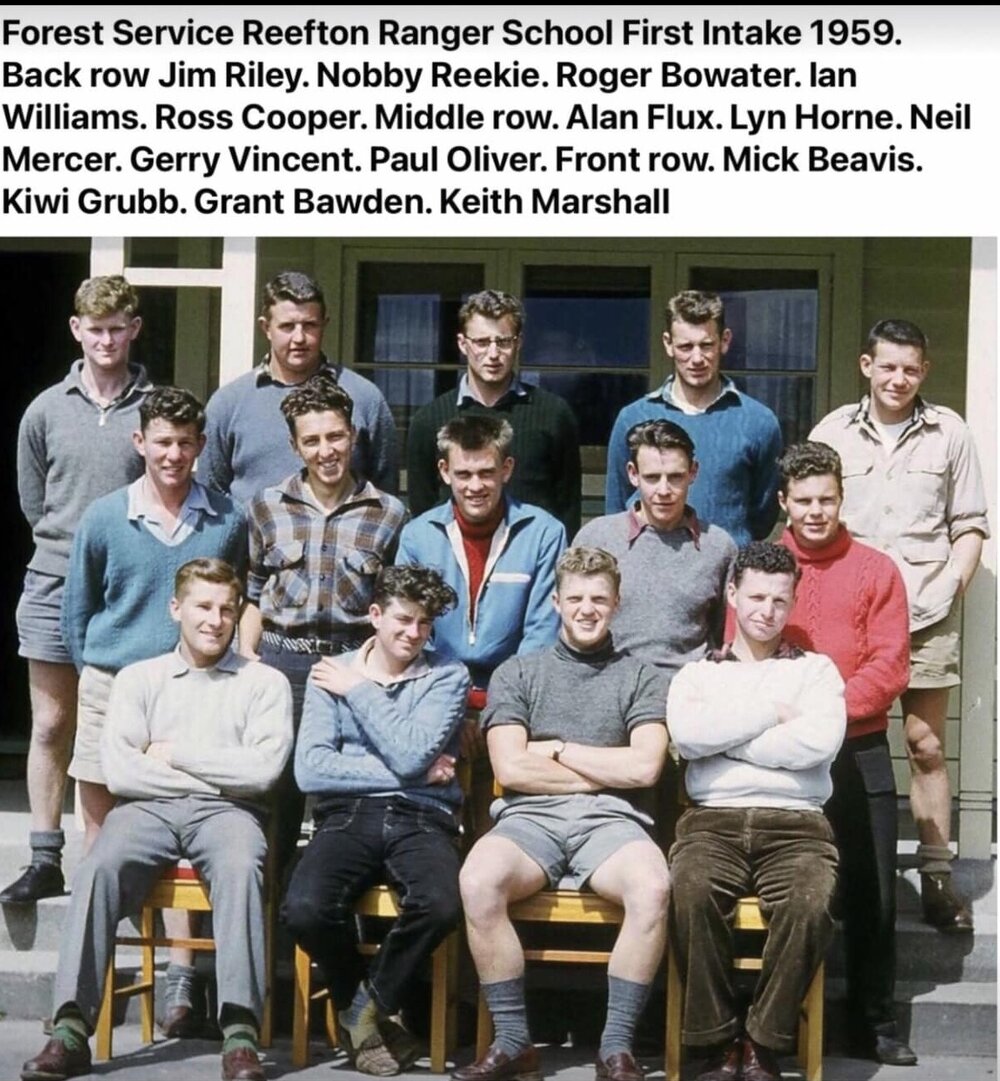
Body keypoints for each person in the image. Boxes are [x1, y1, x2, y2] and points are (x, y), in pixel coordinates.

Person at [20, 558, 293, 1081]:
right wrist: (218, 772)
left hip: (229, 812)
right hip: (146, 809)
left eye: (227, 610)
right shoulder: (138, 679)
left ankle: (240, 1035)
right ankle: (70, 1030)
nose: (215, 620)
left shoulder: (264, 683)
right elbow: (122, 772)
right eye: (203, 607)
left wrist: (176, 755)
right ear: (176, 608)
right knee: (98, 868)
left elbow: (262, 773)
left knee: (241, 868)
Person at [60, 385, 247, 1036]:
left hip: (191, 689)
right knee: (101, 840)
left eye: (185, 443)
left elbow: (233, 599)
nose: (173, 454)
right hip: (114, 685)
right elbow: (78, 610)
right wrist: (105, 673)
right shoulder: (105, 517)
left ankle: (180, 982)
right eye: (162, 441)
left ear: (201, 447)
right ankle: (92, 990)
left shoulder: (226, 517)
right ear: (140, 442)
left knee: (181, 824)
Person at [455, 546, 670, 1081]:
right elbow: (511, 767)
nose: (587, 609)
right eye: (575, 598)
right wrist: (603, 769)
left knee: (653, 887)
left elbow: (645, 768)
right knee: (478, 880)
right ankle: (513, 1042)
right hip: (529, 820)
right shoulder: (518, 673)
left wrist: (557, 750)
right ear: (555, 602)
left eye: (599, 599)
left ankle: (616, 1048)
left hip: (612, 822)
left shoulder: (642, 677)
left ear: (616, 603)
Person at [811, 318, 989, 933]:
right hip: (854, 613)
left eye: (910, 369)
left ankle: (936, 877)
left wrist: (949, 585)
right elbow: (814, 516)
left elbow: (969, 524)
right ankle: (838, 872)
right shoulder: (833, 431)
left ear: (924, 371)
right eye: (887, 366)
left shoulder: (950, 433)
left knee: (925, 745)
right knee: (839, 741)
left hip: (925, 611)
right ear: (866, 366)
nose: (898, 379)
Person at [667, 542, 846, 1081]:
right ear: (732, 595)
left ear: (793, 602)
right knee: (690, 891)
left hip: (797, 826)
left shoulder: (817, 672)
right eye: (756, 597)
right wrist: (772, 712)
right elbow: (689, 737)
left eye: (779, 600)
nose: (767, 611)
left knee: (810, 902)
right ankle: (717, 1041)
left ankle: (764, 1042)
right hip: (712, 823)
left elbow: (819, 745)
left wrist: (727, 742)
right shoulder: (698, 674)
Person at [282, 565, 470, 1076]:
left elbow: (411, 753)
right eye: (403, 620)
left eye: (424, 623)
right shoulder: (330, 672)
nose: (414, 633)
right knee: (304, 907)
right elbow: (310, 769)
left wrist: (358, 691)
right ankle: (363, 1016)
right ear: (375, 615)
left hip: (423, 816)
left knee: (441, 903)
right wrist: (413, 772)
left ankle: (361, 1011)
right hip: (347, 815)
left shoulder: (447, 675)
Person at [5, 275, 153, 905]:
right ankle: (45, 856)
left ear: (134, 329)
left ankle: (112, 860)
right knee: (52, 722)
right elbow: (33, 498)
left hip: (126, 586)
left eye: (117, 329)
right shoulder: (45, 409)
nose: (106, 341)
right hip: (54, 578)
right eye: (95, 330)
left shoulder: (154, 407)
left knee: (120, 723)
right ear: (77, 330)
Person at [772, 441, 915, 1065]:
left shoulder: (876, 570)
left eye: (826, 499)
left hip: (859, 748)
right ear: (784, 501)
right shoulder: (765, 567)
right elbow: (742, 650)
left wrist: (827, 712)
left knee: (872, 892)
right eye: (803, 500)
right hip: (782, 751)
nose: (815, 511)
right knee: (789, 887)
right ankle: (776, 1021)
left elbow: (890, 664)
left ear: (841, 498)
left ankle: (873, 1021)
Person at [241, 376, 408, 870]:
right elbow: (253, 594)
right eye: (311, 441)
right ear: (295, 446)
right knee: (275, 805)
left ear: (352, 436)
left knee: (347, 805)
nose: (326, 451)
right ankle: (273, 917)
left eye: (335, 436)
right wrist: (249, 660)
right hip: (282, 665)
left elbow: (393, 607)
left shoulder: (389, 513)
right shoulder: (267, 506)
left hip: (353, 666)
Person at [396, 414, 564, 701]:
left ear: (506, 469)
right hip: (433, 691)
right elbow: (408, 627)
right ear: (445, 471)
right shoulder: (417, 537)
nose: (475, 487)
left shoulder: (544, 533)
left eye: (486, 473)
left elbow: (542, 631)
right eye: (463, 474)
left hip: (518, 694)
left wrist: (504, 699)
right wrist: (449, 695)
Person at [199, 270, 398, 505]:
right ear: (266, 327)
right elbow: (211, 496)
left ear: (324, 325)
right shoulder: (229, 404)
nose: (299, 338)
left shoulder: (364, 398)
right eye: (287, 326)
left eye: (309, 325)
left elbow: (385, 494)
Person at [604, 290, 782, 546]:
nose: (697, 358)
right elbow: (617, 507)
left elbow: (763, 515)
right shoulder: (633, 418)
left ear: (725, 340)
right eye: (686, 347)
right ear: (668, 344)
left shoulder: (758, 422)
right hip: (648, 563)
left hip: (728, 565)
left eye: (706, 345)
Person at [575, 419, 736, 695]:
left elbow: (725, 636)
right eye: (652, 478)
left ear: (693, 473)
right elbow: (571, 626)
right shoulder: (597, 538)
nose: (664, 490)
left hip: (688, 694)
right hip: (610, 689)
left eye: (675, 477)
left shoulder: (719, 546)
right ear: (633, 474)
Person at [405, 289, 581, 537]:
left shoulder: (554, 415)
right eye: (482, 342)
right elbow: (423, 510)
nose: (493, 354)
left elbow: (568, 508)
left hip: (534, 553)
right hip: (453, 555)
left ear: (518, 343)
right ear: (462, 344)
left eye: (503, 342)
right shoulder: (429, 420)